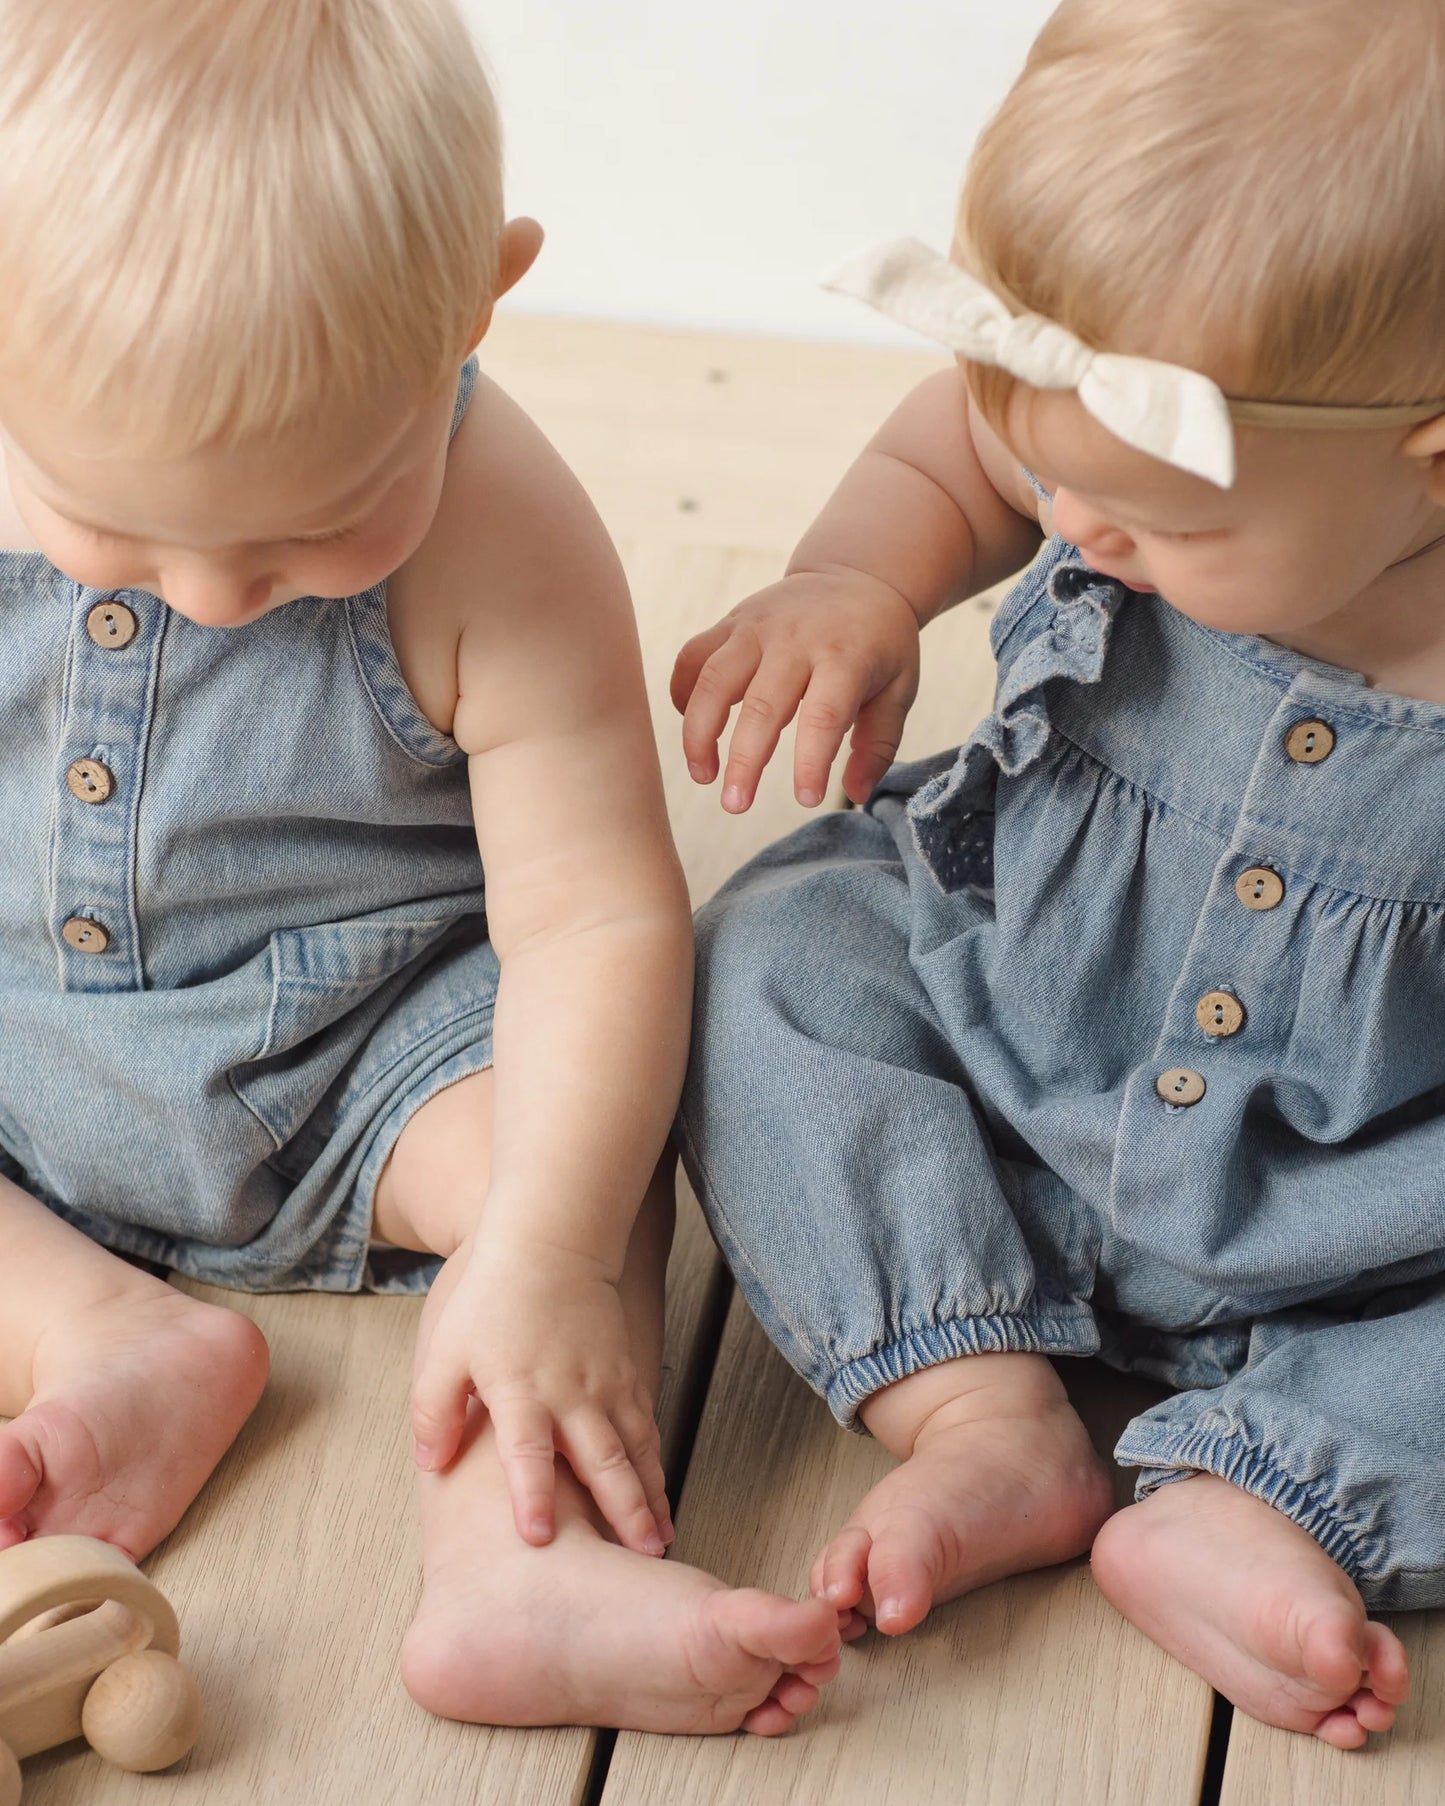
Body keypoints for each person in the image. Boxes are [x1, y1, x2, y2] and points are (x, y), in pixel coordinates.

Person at [0, 0, 839, 1736]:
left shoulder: (500, 533)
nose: (219, 592)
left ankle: (510, 1555)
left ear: (478, 299)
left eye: (317, 524)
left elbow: (593, 913)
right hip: (20, 1023)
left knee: (588, 1147)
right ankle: (98, 1330)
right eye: (112, 522)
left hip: (367, 1048)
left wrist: (532, 1240)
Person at [673, 0, 1445, 1749]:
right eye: (1050, 464)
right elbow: (956, 455)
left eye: (1155, 522)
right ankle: (977, 1405)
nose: (1078, 528)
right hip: (1016, 1031)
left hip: (1373, 1191)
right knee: (773, 950)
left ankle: (1275, 1485)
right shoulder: (1101, 436)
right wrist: (854, 588)